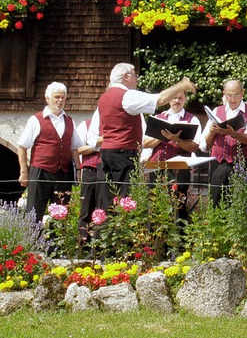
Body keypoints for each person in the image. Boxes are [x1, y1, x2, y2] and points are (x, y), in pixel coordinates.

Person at [87, 63, 197, 210]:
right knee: (125, 201)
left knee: (108, 202)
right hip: (123, 154)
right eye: (134, 75)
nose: (137, 80)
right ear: (126, 77)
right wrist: (181, 85)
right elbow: (160, 99)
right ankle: (121, 231)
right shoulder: (127, 95)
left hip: (106, 154)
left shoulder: (104, 98)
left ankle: (104, 231)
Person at [17, 82, 83, 222]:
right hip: (41, 171)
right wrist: (24, 172)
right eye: (56, 97)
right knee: (34, 213)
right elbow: (22, 146)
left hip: (63, 174)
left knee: (61, 215)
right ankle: (31, 243)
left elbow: (73, 148)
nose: (60, 100)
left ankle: (56, 244)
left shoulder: (70, 121)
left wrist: (78, 169)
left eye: (63, 97)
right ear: (48, 99)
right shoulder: (36, 120)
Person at [143, 90, 202, 232]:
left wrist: (177, 140)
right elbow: (145, 143)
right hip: (156, 168)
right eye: (174, 98)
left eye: (180, 98)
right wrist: (163, 136)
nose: (176, 101)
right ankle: (154, 244)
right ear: (169, 100)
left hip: (180, 169)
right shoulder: (158, 118)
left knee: (178, 207)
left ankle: (177, 246)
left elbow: (194, 146)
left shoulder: (192, 120)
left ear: (185, 100)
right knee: (154, 206)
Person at [200, 79, 247, 205]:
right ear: (224, 94)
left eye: (236, 95)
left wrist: (233, 133)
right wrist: (212, 131)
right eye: (229, 95)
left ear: (242, 93)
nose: (232, 99)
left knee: (240, 203)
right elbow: (206, 145)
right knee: (216, 201)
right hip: (218, 165)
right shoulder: (217, 111)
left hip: (241, 164)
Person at [76, 117, 101, 247]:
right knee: (86, 210)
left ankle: (98, 246)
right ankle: (83, 246)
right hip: (90, 171)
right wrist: (98, 145)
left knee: (103, 210)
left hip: (108, 172)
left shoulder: (115, 124)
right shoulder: (86, 125)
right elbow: (78, 149)